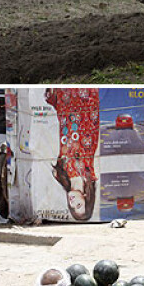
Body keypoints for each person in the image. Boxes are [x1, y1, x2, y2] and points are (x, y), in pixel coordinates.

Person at [45, 88, 100, 220]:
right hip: (86, 109)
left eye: (72, 206)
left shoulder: (60, 175)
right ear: (86, 198)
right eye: (79, 204)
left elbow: (51, 142)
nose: (72, 202)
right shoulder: (91, 173)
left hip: (66, 109)